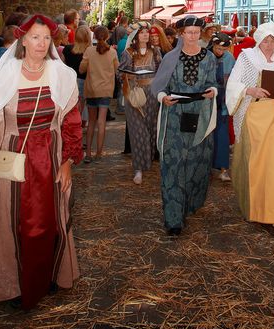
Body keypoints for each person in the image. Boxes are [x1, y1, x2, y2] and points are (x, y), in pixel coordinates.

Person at [0, 14, 83, 308]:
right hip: (10, 158)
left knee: (45, 223)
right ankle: (13, 283)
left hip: (49, 158)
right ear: (22, 39)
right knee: (7, 222)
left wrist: (67, 162)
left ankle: (43, 279)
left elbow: (72, 124)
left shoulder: (62, 76)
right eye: (35, 37)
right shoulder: (0, 77)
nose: (41, 44)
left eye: (47, 38)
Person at [225, 22, 274, 236]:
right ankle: (255, 209)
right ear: (259, 40)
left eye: (272, 40)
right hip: (254, 115)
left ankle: (272, 214)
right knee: (257, 164)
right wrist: (249, 89)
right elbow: (233, 83)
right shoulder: (246, 57)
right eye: (265, 40)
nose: (269, 45)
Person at [150, 16, 217, 236]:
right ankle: (174, 218)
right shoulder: (171, 58)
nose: (193, 36)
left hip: (200, 114)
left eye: (196, 33)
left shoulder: (208, 58)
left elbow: (213, 84)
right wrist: (162, 97)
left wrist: (213, 92)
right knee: (173, 164)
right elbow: (159, 86)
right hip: (174, 116)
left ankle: (188, 205)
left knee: (197, 163)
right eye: (189, 32)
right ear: (181, 34)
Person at [120, 22, 161, 185]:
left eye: (146, 32)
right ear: (135, 36)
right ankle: (138, 168)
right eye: (141, 32)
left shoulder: (156, 51)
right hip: (135, 95)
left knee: (151, 130)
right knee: (138, 132)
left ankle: (148, 161)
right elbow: (120, 73)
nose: (145, 35)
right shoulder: (129, 53)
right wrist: (129, 77)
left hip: (152, 95)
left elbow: (162, 71)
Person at [79, 25, 118, 163]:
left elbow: (82, 69)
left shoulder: (89, 51)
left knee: (91, 122)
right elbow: (116, 69)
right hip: (106, 90)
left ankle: (88, 153)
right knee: (102, 122)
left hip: (91, 90)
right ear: (107, 36)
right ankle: (99, 153)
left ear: (94, 36)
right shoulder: (112, 52)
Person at [208, 31, 235, 181]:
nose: (221, 52)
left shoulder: (230, 59)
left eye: (224, 50)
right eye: (218, 48)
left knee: (222, 136)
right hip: (207, 102)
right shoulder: (205, 56)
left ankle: (224, 169)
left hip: (223, 103)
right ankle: (206, 167)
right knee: (207, 136)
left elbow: (235, 79)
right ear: (213, 45)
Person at [63, 24, 92, 126]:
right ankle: (79, 125)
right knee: (82, 105)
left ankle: (73, 125)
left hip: (70, 81)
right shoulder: (90, 51)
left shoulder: (67, 49)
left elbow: (64, 65)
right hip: (84, 80)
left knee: (73, 106)